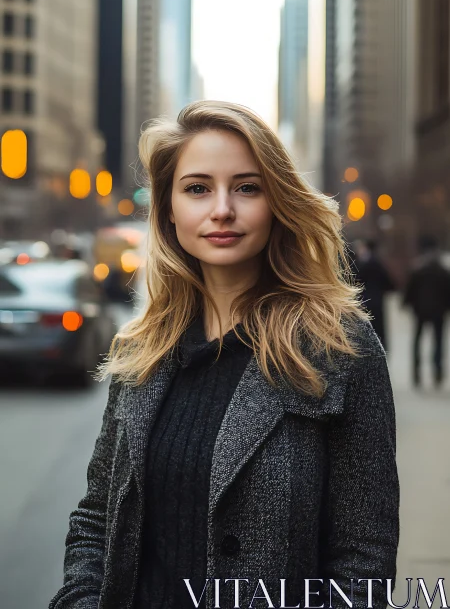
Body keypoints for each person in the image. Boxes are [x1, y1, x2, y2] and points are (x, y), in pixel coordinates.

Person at [48, 100, 400, 609]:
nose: (221, 209)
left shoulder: (339, 348)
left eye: (246, 187)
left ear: (277, 201)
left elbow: (363, 560)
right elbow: (96, 519)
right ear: (168, 208)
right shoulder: (141, 350)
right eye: (197, 188)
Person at [403, 235, 450, 388]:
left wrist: (407, 303)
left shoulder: (418, 269)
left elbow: (410, 290)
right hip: (439, 311)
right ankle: (437, 371)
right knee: (438, 341)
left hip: (420, 310)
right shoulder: (443, 270)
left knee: (417, 340)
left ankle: (416, 372)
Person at [351, 238, 396, 355]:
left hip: (364, 300)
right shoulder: (377, 263)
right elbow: (388, 283)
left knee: (366, 327)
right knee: (378, 328)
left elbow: (355, 281)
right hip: (377, 300)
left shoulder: (359, 264)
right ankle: (380, 351)